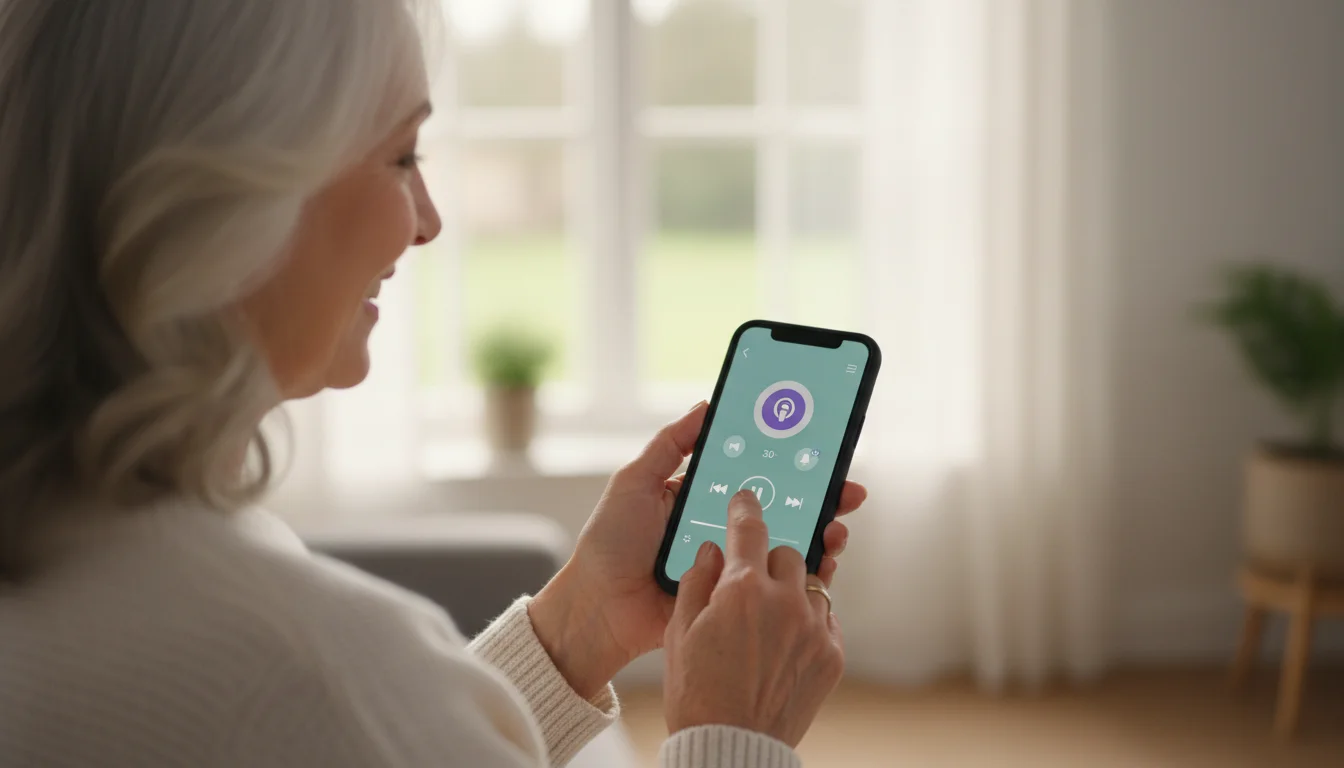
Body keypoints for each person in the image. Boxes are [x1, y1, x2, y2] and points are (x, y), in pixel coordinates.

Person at [0, 1, 866, 766]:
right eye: (401, 155)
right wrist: (733, 735)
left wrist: (579, 631)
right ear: (232, 194)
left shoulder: (76, 558)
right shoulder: (309, 668)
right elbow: (336, 720)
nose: (429, 221)